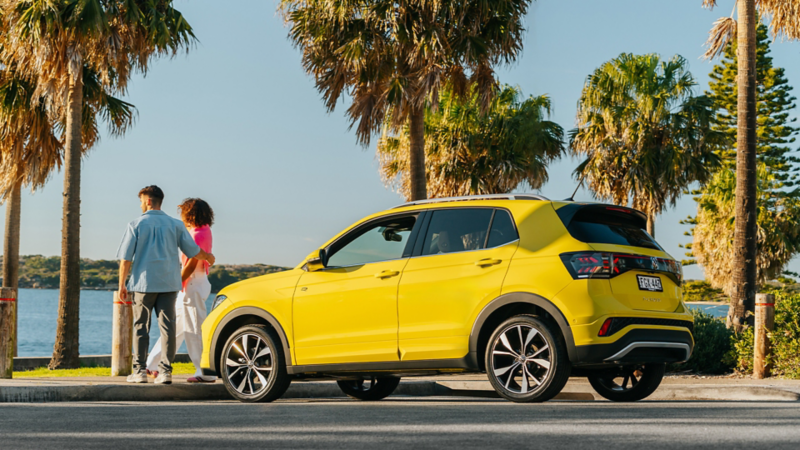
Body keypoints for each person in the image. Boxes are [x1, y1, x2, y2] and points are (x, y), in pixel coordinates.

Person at [117, 186, 216, 385]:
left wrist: (122, 284)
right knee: (169, 328)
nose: (140, 204)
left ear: (147, 201)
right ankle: (164, 372)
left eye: (141, 201)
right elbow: (194, 251)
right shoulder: (176, 225)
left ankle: (140, 371)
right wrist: (208, 256)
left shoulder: (135, 224)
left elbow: (126, 258)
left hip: (143, 285)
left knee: (141, 328)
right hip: (170, 285)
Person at [146, 198, 217, 383]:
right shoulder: (203, 230)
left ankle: (204, 372)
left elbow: (192, 264)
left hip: (192, 283)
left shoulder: (197, 234)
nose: (182, 216)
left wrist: (175, 282)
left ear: (190, 214)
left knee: (194, 329)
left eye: (183, 213)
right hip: (194, 283)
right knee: (174, 327)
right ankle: (152, 364)